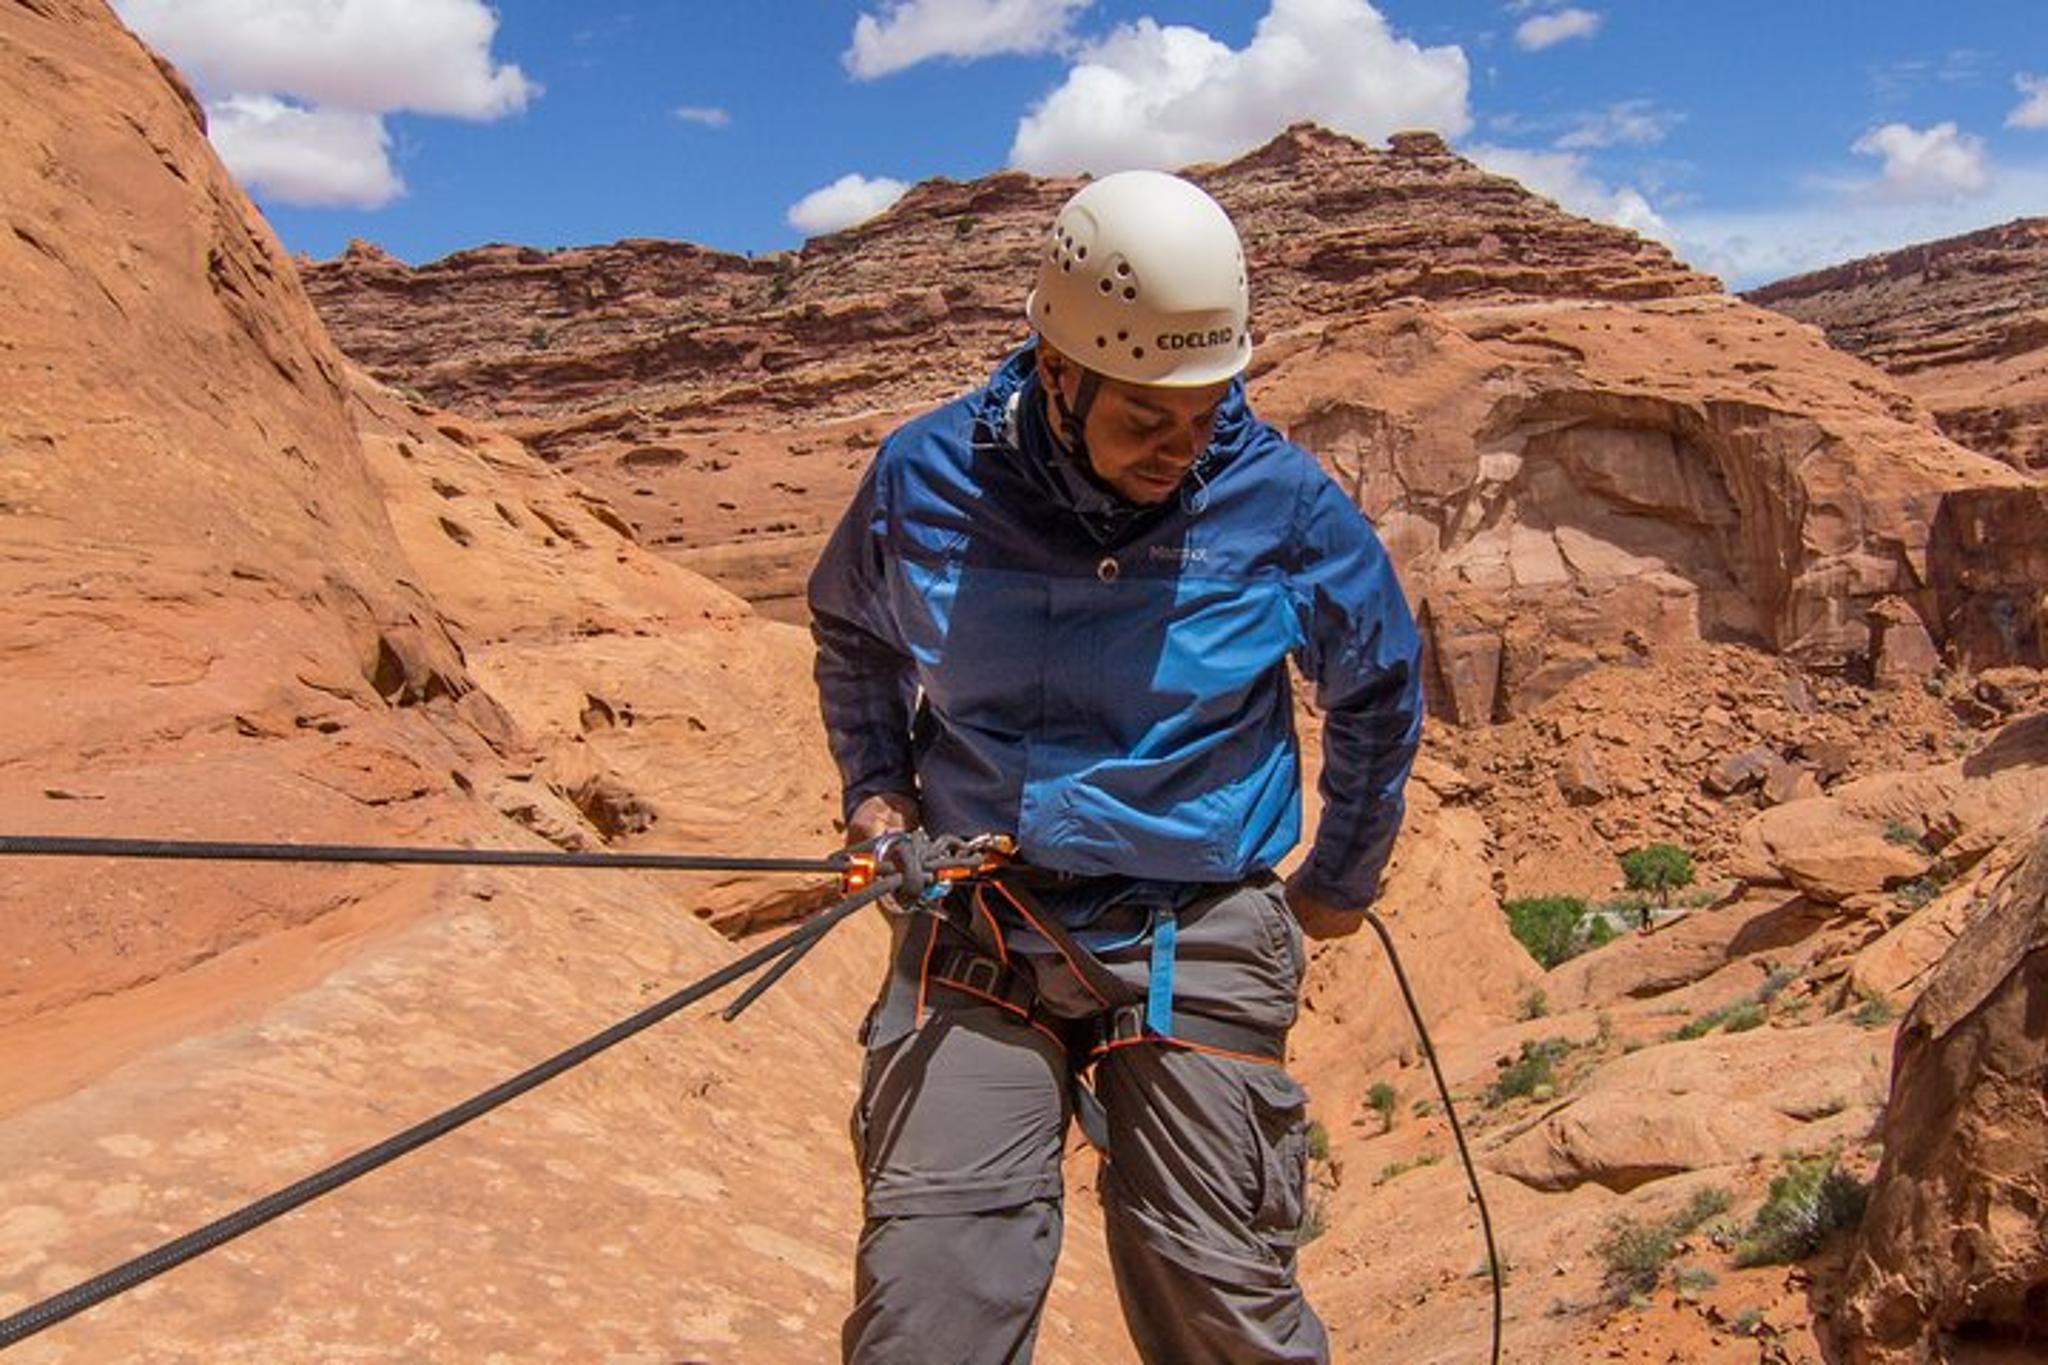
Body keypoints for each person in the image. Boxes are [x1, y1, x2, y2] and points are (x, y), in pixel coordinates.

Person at [808, 169, 1423, 1365]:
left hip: (1195, 923)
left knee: (1219, 1304)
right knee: (926, 1311)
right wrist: (875, 791)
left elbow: (1377, 681)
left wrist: (1337, 882)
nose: (1180, 445)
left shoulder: (1279, 502)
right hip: (980, 921)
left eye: (1207, 407)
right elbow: (850, 630)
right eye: (1146, 413)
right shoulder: (923, 480)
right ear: (1057, 370)